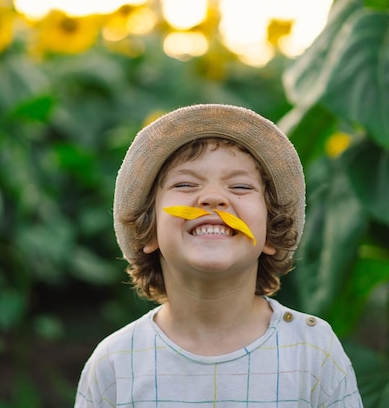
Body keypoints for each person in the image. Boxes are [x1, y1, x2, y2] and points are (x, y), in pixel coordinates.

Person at [75, 104, 363, 407]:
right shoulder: (115, 364)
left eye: (240, 186)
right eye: (185, 184)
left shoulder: (313, 351)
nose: (213, 198)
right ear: (148, 231)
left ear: (271, 232)